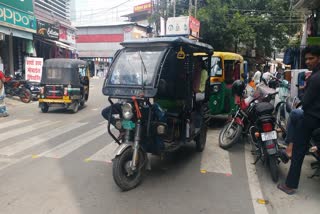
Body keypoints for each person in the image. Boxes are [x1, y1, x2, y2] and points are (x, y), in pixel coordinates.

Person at [278, 46, 320, 195]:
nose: (308, 61)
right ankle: (288, 146)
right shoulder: (314, 75)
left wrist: (303, 90)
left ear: (319, 58)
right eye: (306, 58)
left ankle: (289, 185)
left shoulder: (315, 78)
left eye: (311, 58)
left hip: (311, 119)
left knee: (298, 152)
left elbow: (305, 101)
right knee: (296, 115)